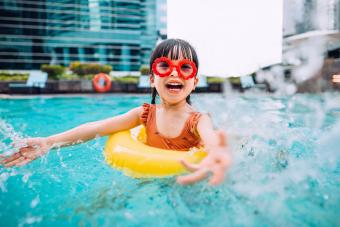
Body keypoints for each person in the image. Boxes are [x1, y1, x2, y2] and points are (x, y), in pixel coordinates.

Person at [0, 39, 231, 185]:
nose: (174, 73)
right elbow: (96, 128)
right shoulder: (144, 114)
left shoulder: (199, 120)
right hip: (149, 178)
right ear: (152, 79)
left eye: (185, 68)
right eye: (164, 66)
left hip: (188, 180)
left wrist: (216, 152)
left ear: (194, 81)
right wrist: (49, 142)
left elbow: (211, 138)